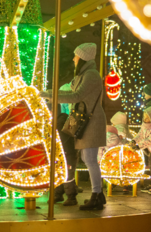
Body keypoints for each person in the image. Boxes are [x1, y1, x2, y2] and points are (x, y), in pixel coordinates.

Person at [43, 43, 107, 211]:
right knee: (88, 159)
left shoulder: (91, 75)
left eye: (76, 56)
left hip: (91, 122)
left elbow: (76, 96)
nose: (73, 59)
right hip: (85, 121)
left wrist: (50, 96)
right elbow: (68, 92)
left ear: (83, 57)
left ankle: (96, 196)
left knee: (90, 159)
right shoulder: (83, 75)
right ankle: (98, 194)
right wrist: (48, 93)